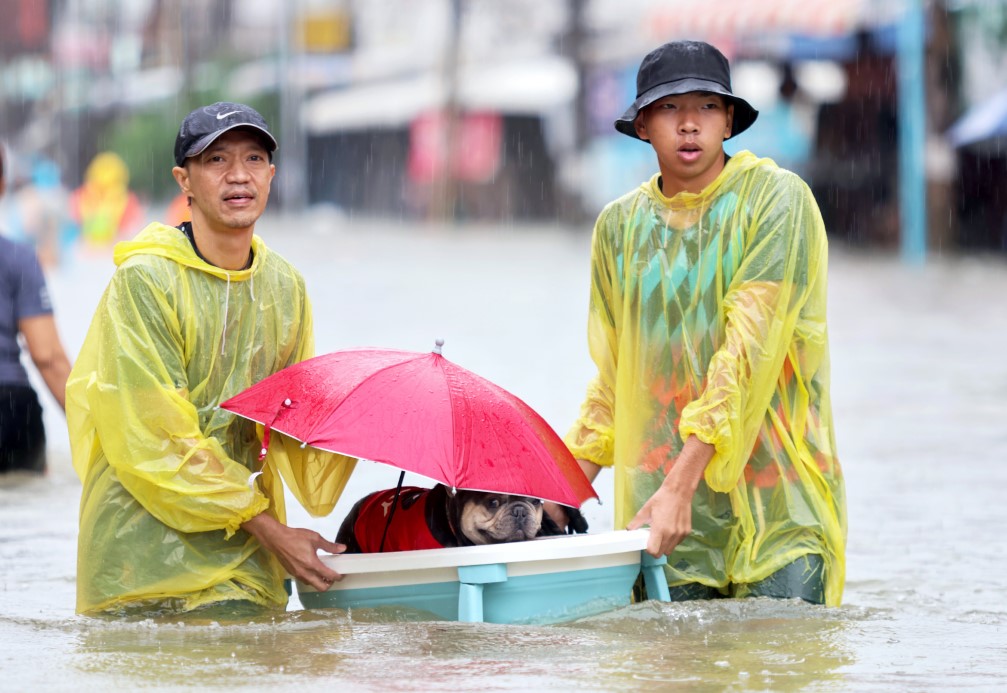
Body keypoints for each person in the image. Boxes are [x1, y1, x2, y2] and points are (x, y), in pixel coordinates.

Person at [560, 41, 847, 606]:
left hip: (778, 500)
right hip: (666, 511)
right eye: (669, 108)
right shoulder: (618, 228)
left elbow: (748, 352)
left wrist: (680, 485)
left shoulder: (777, 201)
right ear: (642, 125)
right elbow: (618, 383)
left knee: (780, 668)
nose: (689, 124)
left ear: (730, 120)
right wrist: (557, 494)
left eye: (707, 107)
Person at [66, 103, 358, 616]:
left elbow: (285, 418)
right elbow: (155, 439)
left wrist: (362, 414)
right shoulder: (146, 281)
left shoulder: (284, 286)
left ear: (271, 174)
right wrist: (272, 530)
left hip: (247, 553)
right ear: (185, 180)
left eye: (253, 158)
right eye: (216, 160)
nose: (238, 175)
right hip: (140, 554)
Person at [0, 147, 73, 474]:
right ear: (3, 186)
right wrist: (102, 440)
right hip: (10, 409)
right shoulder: (17, 257)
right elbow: (48, 357)